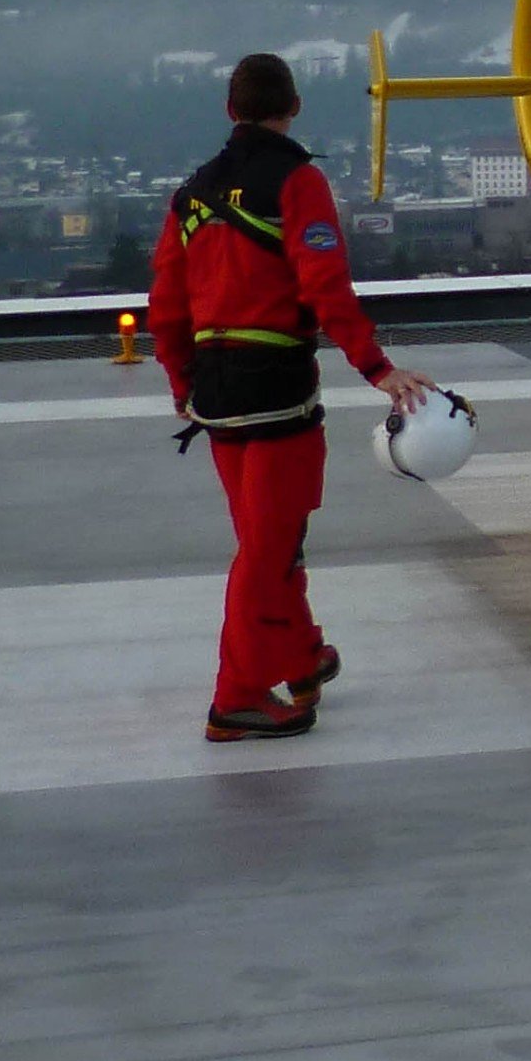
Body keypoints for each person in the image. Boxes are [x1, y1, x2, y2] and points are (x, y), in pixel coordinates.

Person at [154, 53, 436, 738]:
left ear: (231, 110)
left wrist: (182, 383)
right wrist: (377, 368)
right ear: (295, 107)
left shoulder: (192, 194)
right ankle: (237, 697)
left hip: (216, 395)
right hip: (277, 392)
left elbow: (166, 303)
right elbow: (324, 285)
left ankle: (300, 657)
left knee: (267, 540)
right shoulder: (298, 181)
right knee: (268, 549)